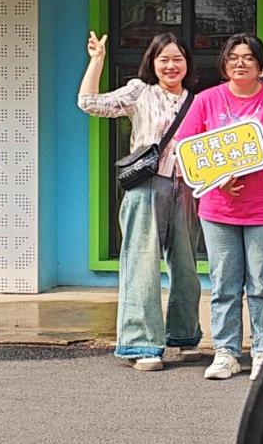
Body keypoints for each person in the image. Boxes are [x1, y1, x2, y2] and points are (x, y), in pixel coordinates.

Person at [175, 34, 263, 382]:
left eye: (248, 57)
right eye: (233, 57)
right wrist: (218, 180)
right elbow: (187, 151)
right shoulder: (206, 101)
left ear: (261, 65)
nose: (240, 63)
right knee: (224, 284)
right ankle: (226, 352)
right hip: (218, 209)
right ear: (224, 63)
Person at [78, 31, 202, 372]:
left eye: (178, 59)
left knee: (187, 265)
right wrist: (97, 61)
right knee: (142, 264)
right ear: (152, 62)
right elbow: (88, 103)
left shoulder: (198, 100)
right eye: (164, 59)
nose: (171, 66)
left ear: (187, 63)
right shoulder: (139, 91)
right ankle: (142, 342)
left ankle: (184, 336)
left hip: (186, 187)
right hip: (146, 185)